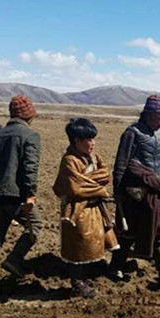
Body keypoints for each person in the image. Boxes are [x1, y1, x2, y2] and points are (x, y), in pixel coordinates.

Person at [111, 95, 160, 288]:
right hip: (136, 192)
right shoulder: (132, 133)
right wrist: (118, 191)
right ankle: (116, 267)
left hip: (155, 190)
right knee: (128, 234)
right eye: (158, 117)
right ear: (148, 115)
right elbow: (121, 163)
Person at [0, 95, 42, 286]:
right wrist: (29, 194)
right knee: (35, 225)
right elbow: (30, 168)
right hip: (16, 195)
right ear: (30, 115)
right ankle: (14, 259)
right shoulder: (30, 136)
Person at [53, 118, 119, 298]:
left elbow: (105, 174)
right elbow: (75, 187)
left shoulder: (93, 157)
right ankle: (76, 282)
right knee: (77, 243)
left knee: (93, 240)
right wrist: (99, 189)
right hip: (76, 210)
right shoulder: (69, 160)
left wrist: (88, 181)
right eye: (89, 140)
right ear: (77, 141)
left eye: (93, 139)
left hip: (94, 208)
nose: (93, 143)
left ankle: (86, 275)